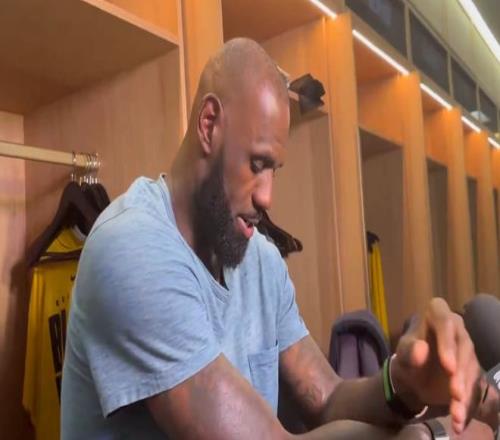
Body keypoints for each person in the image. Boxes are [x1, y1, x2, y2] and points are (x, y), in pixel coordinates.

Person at [61, 38, 497, 439]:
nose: (267, 197)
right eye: (256, 164)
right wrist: (430, 435)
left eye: (275, 170)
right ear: (209, 124)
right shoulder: (131, 250)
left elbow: (327, 398)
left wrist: (402, 384)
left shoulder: (261, 260)